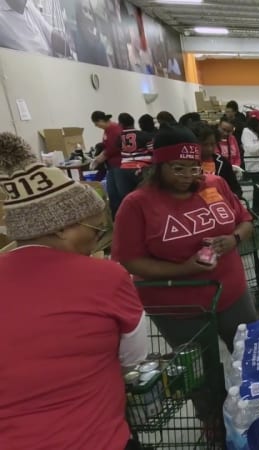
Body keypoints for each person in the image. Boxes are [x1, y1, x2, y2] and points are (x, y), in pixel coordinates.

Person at [111, 126, 258, 444]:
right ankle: (213, 422)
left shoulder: (215, 184)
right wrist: (182, 269)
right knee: (200, 373)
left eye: (193, 168)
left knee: (250, 356)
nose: (188, 176)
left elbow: (245, 221)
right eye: (177, 168)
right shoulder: (137, 204)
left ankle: (256, 408)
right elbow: (130, 260)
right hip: (179, 307)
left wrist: (232, 239)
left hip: (231, 292)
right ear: (158, 166)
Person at [0, 132, 147, 450]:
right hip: (95, 437)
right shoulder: (107, 277)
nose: (97, 242)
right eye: (95, 230)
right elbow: (134, 357)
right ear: (61, 227)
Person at [0, 0, 68, 56]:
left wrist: (69, 51)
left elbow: (51, 34)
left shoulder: (28, 4)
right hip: (27, 67)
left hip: (49, 62)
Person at [90, 110, 125, 217]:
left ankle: (124, 216)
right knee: (112, 193)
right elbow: (106, 146)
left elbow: (112, 148)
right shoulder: (107, 130)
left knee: (120, 192)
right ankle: (116, 217)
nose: (97, 126)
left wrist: (100, 158)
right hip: (111, 165)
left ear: (101, 120)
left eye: (96, 124)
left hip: (119, 164)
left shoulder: (114, 129)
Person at [195, 123, 243, 198]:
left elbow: (236, 188)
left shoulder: (223, 162)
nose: (209, 148)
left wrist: (232, 197)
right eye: (205, 144)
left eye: (212, 144)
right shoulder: (190, 163)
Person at [118, 112, 153, 198]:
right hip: (141, 168)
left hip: (124, 168)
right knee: (145, 195)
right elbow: (153, 151)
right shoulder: (144, 135)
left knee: (129, 197)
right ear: (133, 122)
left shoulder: (118, 137)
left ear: (121, 124)